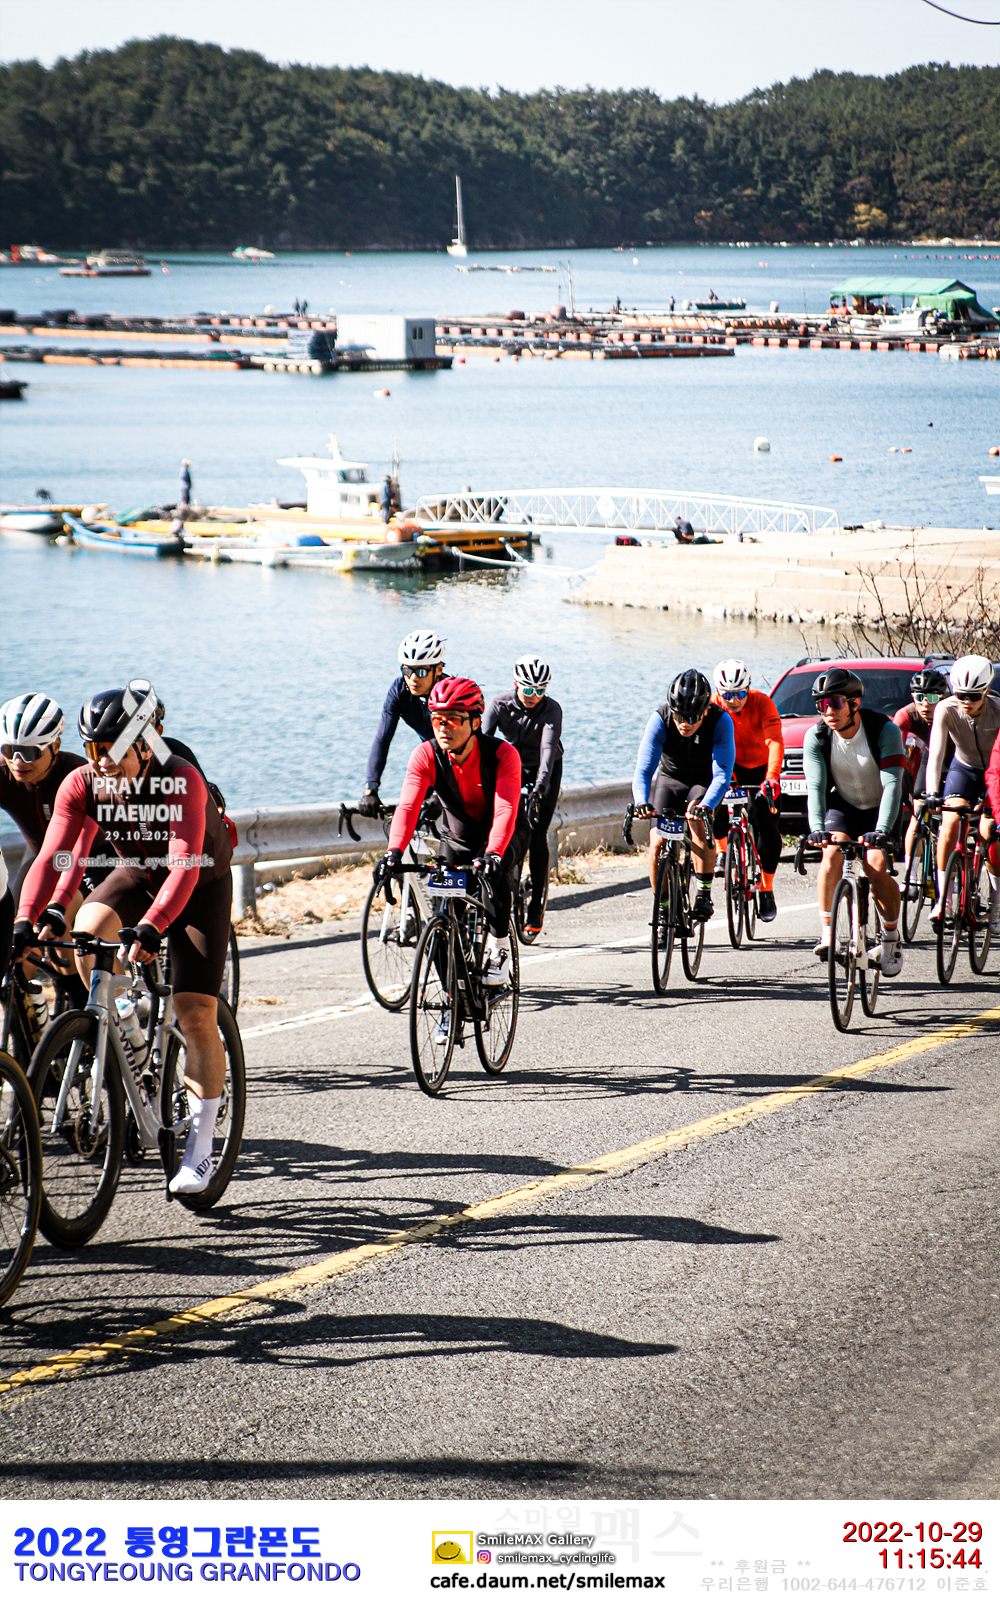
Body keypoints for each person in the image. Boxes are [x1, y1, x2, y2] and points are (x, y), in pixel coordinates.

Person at [13, 683, 234, 1196]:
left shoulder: (180, 778)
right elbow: (52, 857)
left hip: (199, 882)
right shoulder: (83, 783)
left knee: (195, 1012)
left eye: (113, 749)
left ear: (145, 744)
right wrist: (27, 918)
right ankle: (128, 1032)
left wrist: (154, 925)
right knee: (87, 934)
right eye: (93, 748)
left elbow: (183, 866)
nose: (102, 761)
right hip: (138, 873)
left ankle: (201, 1148)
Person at [373, 677, 526, 987]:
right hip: (457, 839)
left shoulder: (502, 755)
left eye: (453, 720)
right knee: (440, 921)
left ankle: (499, 948)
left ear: (475, 722)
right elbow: (408, 808)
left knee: (491, 880)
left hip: (503, 835)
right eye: (437, 719)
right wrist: (393, 853)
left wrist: (494, 854)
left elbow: (505, 810)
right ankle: (453, 997)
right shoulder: (426, 755)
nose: (443, 728)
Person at [803, 666, 905, 976]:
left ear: (854, 704)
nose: (827, 711)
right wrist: (816, 829)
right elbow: (816, 787)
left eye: (834, 703)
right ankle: (827, 933)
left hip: (882, 807)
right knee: (831, 855)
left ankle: (891, 938)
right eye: (821, 704)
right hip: (845, 805)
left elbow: (893, 785)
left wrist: (883, 830)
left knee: (874, 866)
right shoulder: (817, 737)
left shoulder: (884, 730)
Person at [632, 668, 735, 932]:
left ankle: (703, 893)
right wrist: (641, 801)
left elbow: (722, 775)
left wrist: (707, 806)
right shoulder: (660, 719)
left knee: (697, 820)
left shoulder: (720, 720)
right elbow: (643, 770)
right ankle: (664, 907)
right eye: (679, 716)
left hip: (704, 781)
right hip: (670, 779)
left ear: (705, 712)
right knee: (657, 845)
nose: (684, 723)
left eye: (692, 718)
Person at [482, 654, 563, 935]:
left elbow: (547, 751)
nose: (533, 696)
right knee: (500, 823)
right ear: (516, 684)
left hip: (545, 768)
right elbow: (482, 744)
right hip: (511, 766)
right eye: (528, 689)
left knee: (537, 834)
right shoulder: (498, 704)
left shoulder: (552, 709)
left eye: (540, 691)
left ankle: (537, 903)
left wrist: (539, 788)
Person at [924, 655, 1000, 926]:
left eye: (973, 696)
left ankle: (997, 902)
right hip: (964, 769)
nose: (965, 701)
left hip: (995, 771)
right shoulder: (946, 709)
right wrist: (932, 793)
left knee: (991, 832)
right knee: (950, 822)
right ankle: (943, 898)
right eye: (960, 694)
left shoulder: (998, 710)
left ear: (987, 691)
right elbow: (935, 755)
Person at [710, 659, 783, 921]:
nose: (733, 701)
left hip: (761, 768)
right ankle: (722, 851)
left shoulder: (763, 703)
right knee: (714, 804)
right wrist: (721, 777)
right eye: (727, 695)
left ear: (748, 689)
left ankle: (766, 888)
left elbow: (775, 741)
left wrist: (771, 777)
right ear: (717, 692)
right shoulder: (712, 706)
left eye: (740, 694)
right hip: (730, 766)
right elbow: (709, 746)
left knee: (766, 822)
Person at [357, 630, 447, 817]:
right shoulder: (399, 691)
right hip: (431, 760)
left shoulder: (451, 693)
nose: (413, 678)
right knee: (407, 811)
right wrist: (371, 788)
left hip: (461, 765)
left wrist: (440, 794)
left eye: (421, 671)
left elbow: (461, 749)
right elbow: (382, 739)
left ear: (438, 669)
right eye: (407, 670)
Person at [893, 667, 951, 886]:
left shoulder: (953, 710)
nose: (926, 704)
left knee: (952, 817)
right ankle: (911, 876)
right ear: (913, 697)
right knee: (918, 814)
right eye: (920, 698)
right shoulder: (906, 714)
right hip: (929, 758)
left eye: (933, 698)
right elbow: (895, 753)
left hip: (955, 760)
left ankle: (954, 869)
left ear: (943, 697)